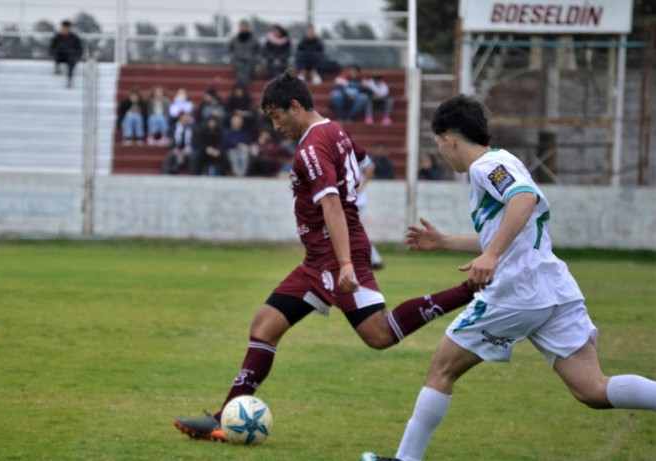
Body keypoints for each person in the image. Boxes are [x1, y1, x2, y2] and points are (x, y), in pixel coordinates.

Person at [172, 71, 475, 442]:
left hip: (335, 256)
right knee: (264, 327)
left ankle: (468, 290)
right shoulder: (336, 130)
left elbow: (331, 203)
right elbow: (362, 163)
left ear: (295, 106)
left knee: (379, 334)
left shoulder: (311, 147)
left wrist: (345, 262)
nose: (276, 126)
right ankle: (224, 418)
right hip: (316, 260)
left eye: (277, 116)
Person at [361, 95, 656, 461]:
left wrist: (492, 255)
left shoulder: (486, 166)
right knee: (592, 389)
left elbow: (523, 198)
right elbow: (507, 227)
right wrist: (445, 242)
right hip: (553, 286)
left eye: (438, 145)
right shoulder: (503, 161)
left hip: (517, 290)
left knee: (442, 368)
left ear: (449, 140)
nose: (441, 153)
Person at [49, 20, 85, 88]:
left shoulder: (75, 38)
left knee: (72, 61)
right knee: (58, 55)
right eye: (64, 28)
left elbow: (80, 50)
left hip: (70, 57)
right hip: (60, 56)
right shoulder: (57, 38)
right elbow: (51, 49)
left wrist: (72, 52)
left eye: (67, 28)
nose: (65, 30)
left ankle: (69, 80)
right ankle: (57, 68)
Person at [227, 20, 260, 88]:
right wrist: (232, 57)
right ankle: (242, 89)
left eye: (245, 26)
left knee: (247, 71)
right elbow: (229, 49)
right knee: (240, 72)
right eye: (242, 26)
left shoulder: (254, 39)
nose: (243, 28)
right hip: (238, 60)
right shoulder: (234, 39)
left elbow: (258, 50)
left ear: (248, 27)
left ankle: (243, 89)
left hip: (250, 60)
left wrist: (255, 58)